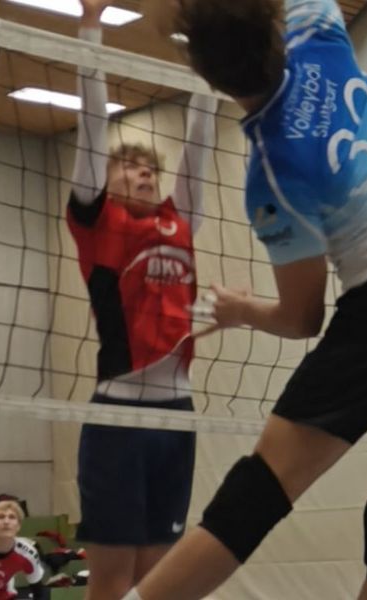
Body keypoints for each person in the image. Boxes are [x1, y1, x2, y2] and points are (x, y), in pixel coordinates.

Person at [128, 0, 367, 598]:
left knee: (256, 494)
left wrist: (240, 310)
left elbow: (301, 318)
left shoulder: (271, 173)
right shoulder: (319, 31)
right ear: (275, 23)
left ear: (207, 77)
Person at [69, 1, 217, 598]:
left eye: (148, 166)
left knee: (158, 582)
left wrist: (208, 56)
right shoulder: (98, 223)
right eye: (127, 165)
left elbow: (201, 138)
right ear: (106, 181)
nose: (142, 171)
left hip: (176, 416)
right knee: (111, 582)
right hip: (118, 416)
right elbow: (91, 126)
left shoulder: (180, 222)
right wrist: (90, 26)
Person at [0, 500, 47, 600]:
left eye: (12, 517)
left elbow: (39, 592)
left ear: (18, 526)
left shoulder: (27, 553)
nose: (6, 522)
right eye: (1, 517)